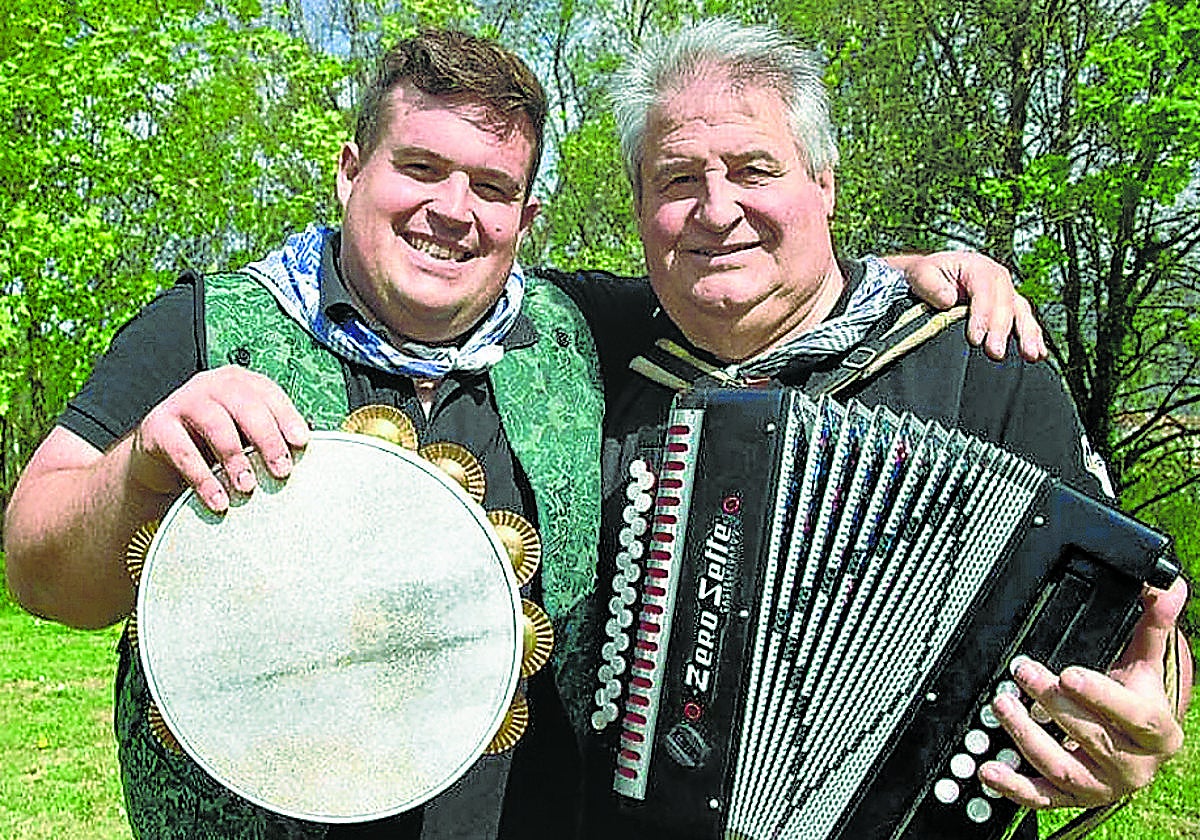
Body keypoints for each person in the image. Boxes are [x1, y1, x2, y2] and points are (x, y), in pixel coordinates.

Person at [2, 26, 1057, 840]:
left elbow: (753, 280)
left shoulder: (581, 327)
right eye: (419, 167)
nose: (452, 211)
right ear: (348, 170)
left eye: (494, 188)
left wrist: (921, 275)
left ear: (525, 218)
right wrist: (140, 467)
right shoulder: (208, 323)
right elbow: (39, 570)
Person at [544, 18, 1191, 839]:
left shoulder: (983, 362)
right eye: (677, 179)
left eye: (754, 170)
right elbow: (425, 269)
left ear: (825, 186)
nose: (716, 209)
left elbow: (1138, 611)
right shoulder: (585, 346)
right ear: (638, 206)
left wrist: (1139, 718)